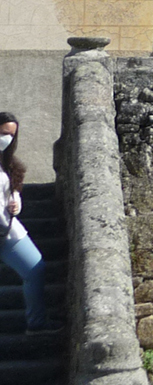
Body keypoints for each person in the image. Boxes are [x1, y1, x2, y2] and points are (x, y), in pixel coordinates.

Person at [0, 112, 53, 331]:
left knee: (35, 269)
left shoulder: (6, 163)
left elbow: (11, 192)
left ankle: (36, 323)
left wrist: (16, 203)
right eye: (3, 133)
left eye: (11, 135)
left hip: (8, 231)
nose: (7, 139)